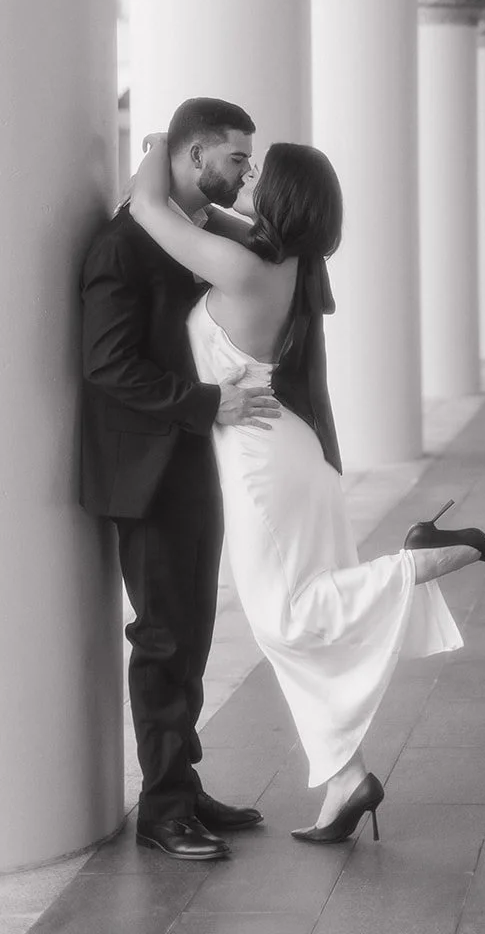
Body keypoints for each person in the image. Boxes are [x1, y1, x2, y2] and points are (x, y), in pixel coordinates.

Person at [127, 132, 485, 845]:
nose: (247, 182)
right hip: (293, 451)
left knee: (286, 619)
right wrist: (218, 194)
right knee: (297, 626)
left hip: (261, 461)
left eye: (258, 174)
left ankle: (423, 559)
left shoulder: (245, 269)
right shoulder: (290, 262)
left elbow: (152, 206)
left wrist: (163, 143)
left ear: (280, 198)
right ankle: (346, 780)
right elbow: (211, 220)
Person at [80, 98, 279, 863]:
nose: (247, 172)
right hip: (144, 469)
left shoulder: (181, 232)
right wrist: (207, 403)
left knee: (192, 631)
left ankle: (182, 784)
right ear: (195, 157)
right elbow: (106, 364)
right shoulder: (121, 246)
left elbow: (256, 241)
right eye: (236, 158)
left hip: (190, 454)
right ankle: (162, 810)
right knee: (163, 637)